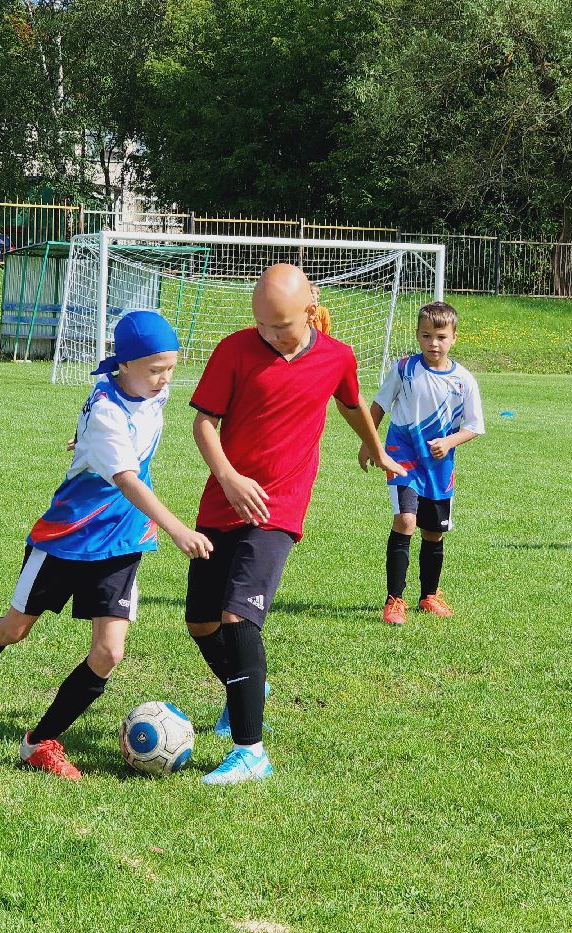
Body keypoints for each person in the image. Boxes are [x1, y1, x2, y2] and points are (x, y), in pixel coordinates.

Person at [0, 311, 212, 779]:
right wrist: (176, 528)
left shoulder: (151, 390)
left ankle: (39, 743)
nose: (166, 380)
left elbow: (130, 435)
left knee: (109, 652)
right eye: (156, 369)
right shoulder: (106, 411)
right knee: (14, 630)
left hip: (122, 541)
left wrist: (85, 442)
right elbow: (126, 479)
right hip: (65, 539)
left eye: (170, 368)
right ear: (123, 364)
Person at [185, 263, 405, 785]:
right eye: (262, 326)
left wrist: (376, 450)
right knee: (201, 622)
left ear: (311, 310)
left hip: (279, 507)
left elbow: (352, 406)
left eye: (281, 327)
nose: (271, 336)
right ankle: (249, 686)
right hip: (223, 499)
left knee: (239, 618)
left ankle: (250, 752)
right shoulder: (233, 349)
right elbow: (203, 422)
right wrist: (230, 477)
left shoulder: (337, 356)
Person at [360, 300, 484, 624]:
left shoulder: (464, 381)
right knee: (405, 521)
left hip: (439, 468)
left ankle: (429, 595)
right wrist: (367, 444)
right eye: (427, 335)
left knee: (433, 533)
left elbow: (474, 426)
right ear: (417, 335)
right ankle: (394, 600)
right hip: (403, 458)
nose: (433, 343)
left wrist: (449, 441)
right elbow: (378, 405)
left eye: (441, 336)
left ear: (454, 338)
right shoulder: (404, 369)